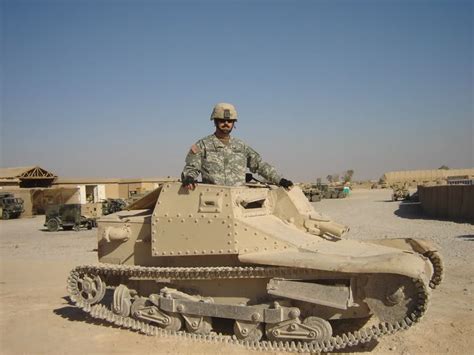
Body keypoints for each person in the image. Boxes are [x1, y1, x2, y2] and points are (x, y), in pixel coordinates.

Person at [181, 103, 293, 190]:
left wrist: (279, 180)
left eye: (229, 121)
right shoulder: (203, 145)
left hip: (238, 200)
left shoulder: (241, 146)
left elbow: (260, 165)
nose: (226, 123)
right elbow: (191, 167)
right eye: (222, 120)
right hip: (212, 199)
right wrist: (189, 178)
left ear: (234, 123)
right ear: (215, 121)